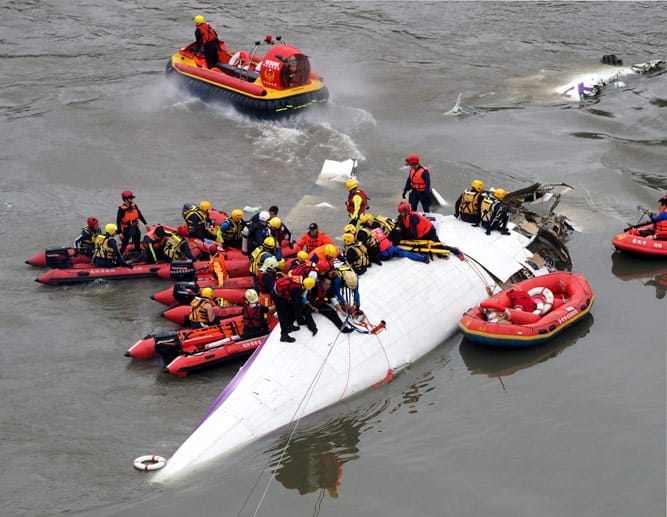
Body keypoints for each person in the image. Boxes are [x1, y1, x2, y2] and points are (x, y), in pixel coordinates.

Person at [363, 218, 429, 263]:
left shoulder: (369, 234)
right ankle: (422, 258)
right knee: (405, 252)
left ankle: (422, 258)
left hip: (385, 254)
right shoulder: (380, 230)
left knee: (403, 252)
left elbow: (374, 246)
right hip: (390, 247)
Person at [272, 275, 316, 342]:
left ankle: (290, 326)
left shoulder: (300, 278)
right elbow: (296, 305)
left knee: (289, 309)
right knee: (283, 314)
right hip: (277, 295)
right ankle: (284, 335)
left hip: (278, 288)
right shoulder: (298, 290)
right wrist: (300, 319)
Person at [116, 191, 147, 256]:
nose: (132, 199)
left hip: (135, 226)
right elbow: (118, 221)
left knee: (137, 239)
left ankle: (137, 251)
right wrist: (120, 232)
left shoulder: (134, 205)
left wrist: (145, 224)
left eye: (131, 197)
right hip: (127, 228)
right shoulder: (121, 209)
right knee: (125, 242)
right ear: (125, 199)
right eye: (130, 198)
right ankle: (121, 253)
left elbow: (139, 215)